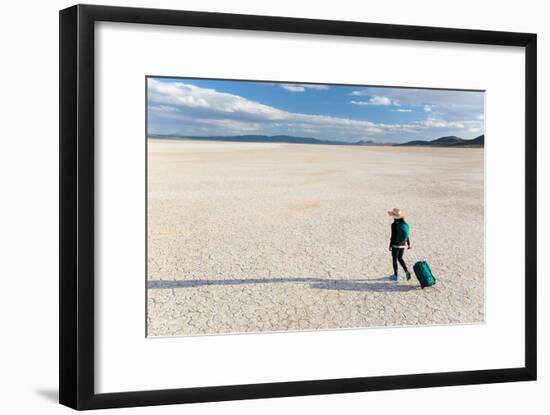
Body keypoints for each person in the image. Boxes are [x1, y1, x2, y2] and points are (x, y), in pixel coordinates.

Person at [387, 208, 411, 282]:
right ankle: (407, 271)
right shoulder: (405, 224)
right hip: (403, 244)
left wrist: (390, 245)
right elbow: (407, 235)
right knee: (400, 258)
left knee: (394, 259)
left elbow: (393, 236)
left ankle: (395, 275)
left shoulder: (394, 225)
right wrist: (409, 244)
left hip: (396, 245)